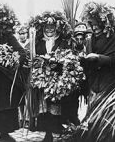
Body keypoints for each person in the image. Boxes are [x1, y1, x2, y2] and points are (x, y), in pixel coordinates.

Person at [30, 11, 79, 142]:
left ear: (56, 27)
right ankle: (47, 133)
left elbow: (68, 57)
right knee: (44, 106)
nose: (49, 29)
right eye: (47, 27)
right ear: (43, 28)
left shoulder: (63, 41)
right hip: (42, 78)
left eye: (52, 27)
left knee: (55, 106)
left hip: (56, 79)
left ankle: (53, 130)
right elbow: (32, 56)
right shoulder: (37, 42)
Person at [80, 2, 115, 105]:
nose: (94, 28)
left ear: (105, 24)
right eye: (92, 25)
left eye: (97, 25)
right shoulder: (91, 38)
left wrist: (98, 57)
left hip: (109, 82)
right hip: (94, 83)